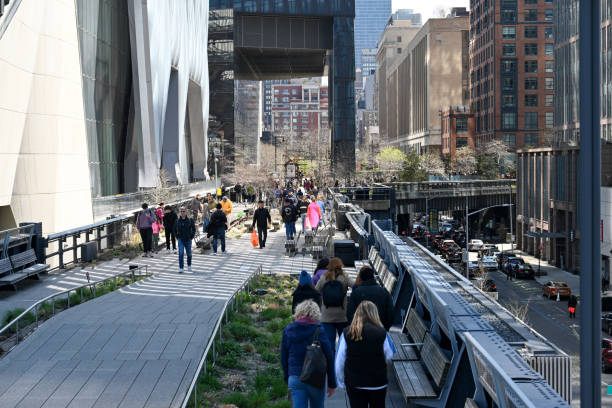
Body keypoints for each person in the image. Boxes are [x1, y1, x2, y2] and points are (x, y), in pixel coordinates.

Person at [335, 301, 396, 407]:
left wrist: (341, 382)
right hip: (377, 382)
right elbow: (390, 354)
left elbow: (340, 361)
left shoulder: (347, 333)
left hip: (355, 382)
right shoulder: (382, 333)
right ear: (375, 314)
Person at [281, 300, 336, 408]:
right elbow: (329, 357)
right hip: (315, 377)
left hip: (295, 376)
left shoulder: (288, 330)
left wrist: (287, 377)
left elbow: (284, 357)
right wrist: (332, 383)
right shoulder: (319, 331)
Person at [315, 258, 353, 351]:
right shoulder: (344, 276)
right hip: (342, 315)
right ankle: (342, 361)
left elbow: (316, 290)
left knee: (329, 342)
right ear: (340, 266)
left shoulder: (324, 277)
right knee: (344, 341)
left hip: (326, 316)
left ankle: (331, 362)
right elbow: (354, 285)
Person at [347, 266, 394, 331]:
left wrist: (354, 328)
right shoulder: (384, 292)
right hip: (380, 329)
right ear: (373, 276)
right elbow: (390, 312)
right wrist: (386, 328)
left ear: (361, 278)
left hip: (360, 329)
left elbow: (350, 312)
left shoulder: (356, 292)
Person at [175, 207, 196, 273]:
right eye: (181, 211)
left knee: (189, 253)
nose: (182, 212)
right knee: (181, 253)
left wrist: (191, 236)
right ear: (180, 213)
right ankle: (181, 268)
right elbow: (174, 229)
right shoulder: (177, 221)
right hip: (181, 239)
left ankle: (189, 265)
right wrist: (177, 236)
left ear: (186, 212)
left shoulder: (190, 220)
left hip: (188, 239)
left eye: (183, 211)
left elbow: (193, 229)